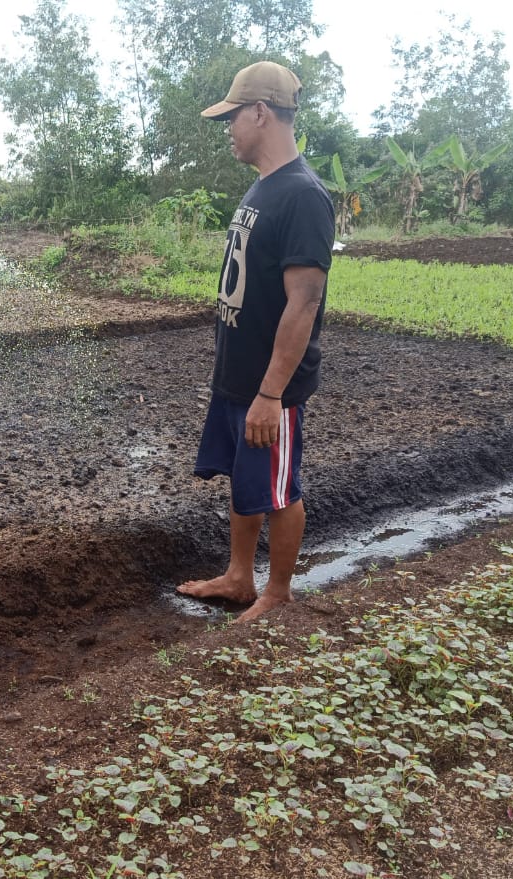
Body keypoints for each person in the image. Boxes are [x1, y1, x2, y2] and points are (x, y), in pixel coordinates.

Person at [176, 61, 335, 624]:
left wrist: (271, 394)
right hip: (239, 375)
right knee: (248, 480)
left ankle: (277, 592)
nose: (228, 129)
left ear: (261, 113)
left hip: (272, 385)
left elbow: (305, 302)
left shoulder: (304, 196)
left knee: (279, 486)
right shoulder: (264, 186)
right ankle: (239, 577)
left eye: (232, 116)